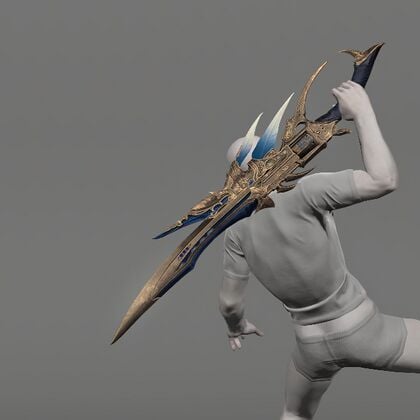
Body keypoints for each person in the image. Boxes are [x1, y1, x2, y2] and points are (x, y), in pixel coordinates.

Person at [219, 80, 420, 420]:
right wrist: (362, 112)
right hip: (364, 330)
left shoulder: (234, 231)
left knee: (294, 414)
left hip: (311, 348)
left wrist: (235, 327)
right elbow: (383, 180)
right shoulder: (304, 190)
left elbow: (229, 303)